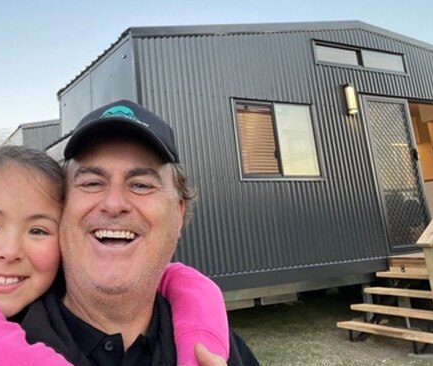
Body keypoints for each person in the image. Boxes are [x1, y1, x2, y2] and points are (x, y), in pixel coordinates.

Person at [0, 144, 230, 365]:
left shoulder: (215, 343)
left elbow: (179, 277)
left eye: (37, 230)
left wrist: (202, 343)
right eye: (93, 182)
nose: (11, 251)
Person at [15, 99, 259, 366]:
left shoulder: (226, 355)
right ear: (61, 208)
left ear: (177, 214)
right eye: (92, 183)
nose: (114, 204)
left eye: (141, 185)